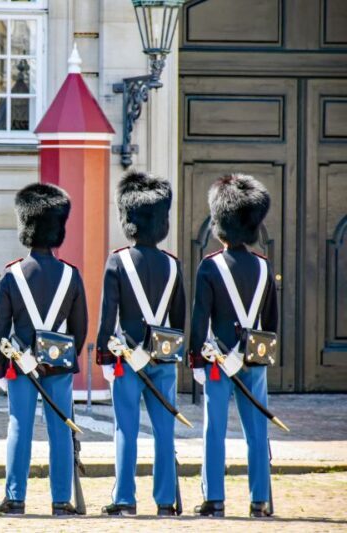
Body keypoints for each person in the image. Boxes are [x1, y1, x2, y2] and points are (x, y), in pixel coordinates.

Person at [0, 183, 88, 516]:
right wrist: (65, 356)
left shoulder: (12, 275)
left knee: (19, 428)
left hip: (21, 366)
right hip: (59, 364)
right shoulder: (71, 275)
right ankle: (61, 500)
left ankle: (15, 498)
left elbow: (0, 327)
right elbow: (79, 328)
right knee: (60, 429)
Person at [95, 171, 186, 516]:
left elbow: (108, 316)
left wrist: (105, 355)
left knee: (126, 430)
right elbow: (178, 320)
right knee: (164, 432)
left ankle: (124, 499)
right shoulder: (173, 265)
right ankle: (165, 501)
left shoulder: (118, 261)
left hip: (127, 360)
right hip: (164, 359)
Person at [188, 173, 278, 518]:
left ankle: (214, 499)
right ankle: (259, 500)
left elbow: (200, 319)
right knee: (257, 432)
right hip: (254, 360)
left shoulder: (210, 267)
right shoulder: (264, 268)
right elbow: (271, 323)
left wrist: (196, 359)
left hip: (217, 362)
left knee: (214, 431)